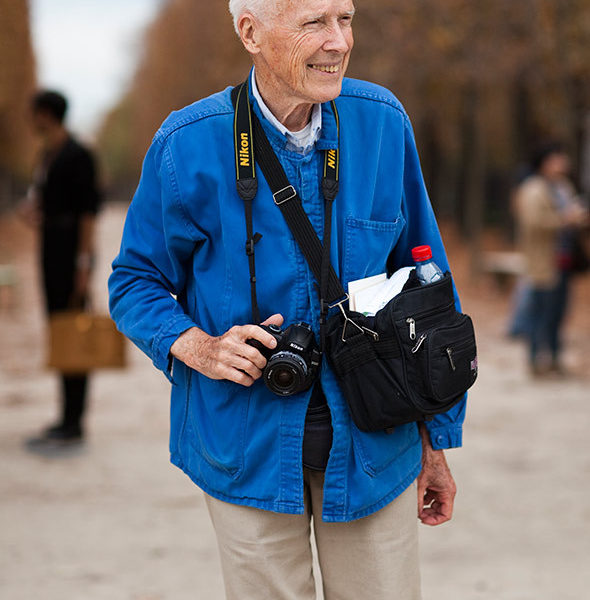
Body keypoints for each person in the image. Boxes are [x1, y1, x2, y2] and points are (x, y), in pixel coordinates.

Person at [109, 1, 465, 598]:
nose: (339, 42)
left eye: (345, 19)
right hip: (243, 449)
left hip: (378, 449)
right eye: (314, 23)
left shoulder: (383, 123)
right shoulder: (186, 143)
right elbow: (133, 280)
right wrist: (198, 347)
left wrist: (438, 439)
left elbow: (430, 287)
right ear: (250, 32)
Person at [23, 90, 101, 446]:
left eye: (34, 113)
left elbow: (88, 213)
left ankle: (75, 420)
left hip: (71, 249)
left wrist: (83, 263)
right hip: (50, 246)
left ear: (46, 114)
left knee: (73, 327)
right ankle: (66, 415)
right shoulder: (48, 154)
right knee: (59, 328)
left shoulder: (77, 155)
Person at [514, 142, 588, 376]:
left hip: (565, 261)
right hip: (542, 261)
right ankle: (536, 361)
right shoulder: (533, 188)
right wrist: (566, 219)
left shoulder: (563, 187)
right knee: (541, 312)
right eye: (557, 158)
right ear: (545, 162)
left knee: (559, 312)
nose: (562, 163)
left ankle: (555, 358)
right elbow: (532, 222)